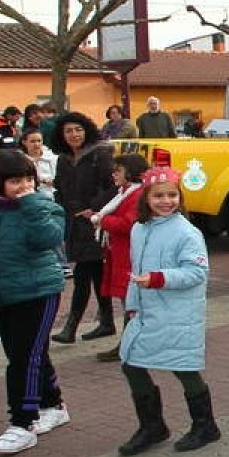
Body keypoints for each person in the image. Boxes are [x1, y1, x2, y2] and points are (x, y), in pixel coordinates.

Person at [0, 150, 69, 454]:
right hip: (1, 293)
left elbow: (50, 238)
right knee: (27, 352)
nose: (22, 185)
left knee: (24, 358)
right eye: (14, 180)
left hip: (38, 291)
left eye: (27, 179)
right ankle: (53, 404)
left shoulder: (42, 205)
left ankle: (23, 422)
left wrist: (31, 202)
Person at [116, 165, 221, 455]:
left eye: (172, 195)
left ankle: (205, 425)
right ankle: (152, 426)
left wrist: (160, 278)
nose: (166, 201)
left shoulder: (187, 233)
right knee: (130, 362)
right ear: (146, 198)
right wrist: (133, 306)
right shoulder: (139, 229)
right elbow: (135, 271)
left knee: (182, 367)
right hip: (146, 311)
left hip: (177, 313)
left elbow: (197, 272)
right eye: (158, 195)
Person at [50, 112, 117, 344]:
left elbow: (113, 188)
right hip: (73, 224)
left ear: (86, 130)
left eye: (78, 129)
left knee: (83, 274)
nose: (74, 134)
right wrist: (64, 208)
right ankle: (106, 322)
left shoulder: (99, 154)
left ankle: (72, 327)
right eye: (68, 131)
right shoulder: (63, 159)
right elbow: (60, 189)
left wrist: (94, 209)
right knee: (96, 274)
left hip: (95, 223)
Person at [91, 154, 149, 363]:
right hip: (122, 252)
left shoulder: (137, 194)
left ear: (130, 172)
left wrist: (102, 219)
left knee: (131, 301)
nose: (114, 174)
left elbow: (127, 224)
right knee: (130, 301)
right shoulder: (124, 192)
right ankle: (129, 343)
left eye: (118, 170)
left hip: (129, 254)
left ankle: (128, 344)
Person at [21, 130, 57, 197]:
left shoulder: (53, 158)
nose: (37, 144)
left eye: (39, 141)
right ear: (24, 142)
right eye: (32, 141)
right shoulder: (21, 160)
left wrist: (54, 182)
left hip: (53, 195)